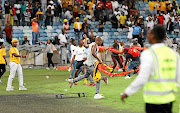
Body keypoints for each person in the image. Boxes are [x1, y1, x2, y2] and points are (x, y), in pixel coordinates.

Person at [121, 25, 180, 113]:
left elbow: (142, 78)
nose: (147, 35)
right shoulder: (173, 54)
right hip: (169, 100)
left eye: (149, 33)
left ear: (153, 36)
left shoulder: (149, 53)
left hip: (154, 101)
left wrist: (128, 92)